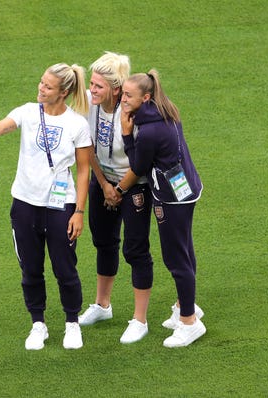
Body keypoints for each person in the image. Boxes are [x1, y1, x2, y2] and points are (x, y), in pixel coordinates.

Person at [0, 63, 92, 350]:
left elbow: (84, 171)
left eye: (48, 86)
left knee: (65, 269)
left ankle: (72, 323)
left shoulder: (77, 124)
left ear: (63, 92)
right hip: (25, 204)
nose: (41, 88)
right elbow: (2, 127)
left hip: (61, 207)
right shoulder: (27, 111)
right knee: (31, 269)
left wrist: (79, 212)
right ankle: (38, 324)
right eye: (41, 82)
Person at [119, 69, 206, 348]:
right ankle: (185, 305)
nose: (123, 99)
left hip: (171, 199)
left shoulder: (149, 131)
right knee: (185, 250)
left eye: (128, 95)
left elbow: (139, 167)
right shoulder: (166, 111)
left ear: (145, 97)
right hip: (188, 190)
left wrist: (126, 135)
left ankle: (190, 321)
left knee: (175, 258)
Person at [77, 52, 154, 344]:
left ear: (116, 88)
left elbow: (142, 161)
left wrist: (119, 189)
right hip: (103, 181)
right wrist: (103, 184)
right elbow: (88, 146)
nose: (92, 90)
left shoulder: (134, 113)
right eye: (92, 84)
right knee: (103, 242)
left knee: (136, 250)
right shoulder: (89, 103)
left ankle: (140, 320)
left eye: (98, 86)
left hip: (135, 183)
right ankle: (102, 305)